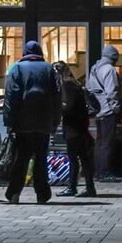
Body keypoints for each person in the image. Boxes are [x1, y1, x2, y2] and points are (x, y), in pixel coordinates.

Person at [3, 40, 61, 204]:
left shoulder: (18, 68)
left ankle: (14, 193)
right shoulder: (49, 69)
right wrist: (55, 121)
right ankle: (42, 194)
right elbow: (57, 98)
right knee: (41, 159)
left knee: (20, 159)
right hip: (44, 124)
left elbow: (11, 96)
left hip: (22, 123)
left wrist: (9, 121)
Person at [52, 61, 96, 197]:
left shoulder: (66, 85)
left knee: (74, 158)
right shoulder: (76, 84)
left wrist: (57, 112)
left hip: (73, 127)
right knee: (83, 158)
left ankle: (72, 187)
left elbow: (68, 106)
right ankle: (89, 187)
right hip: (81, 126)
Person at [86, 45, 122, 181]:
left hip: (98, 110)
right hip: (108, 111)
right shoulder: (109, 70)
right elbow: (112, 92)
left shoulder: (94, 69)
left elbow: (90, 88)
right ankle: (105, 172)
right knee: (108, 143)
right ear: (114, 57)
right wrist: (116, 109)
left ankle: (97, 171)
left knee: (99, 142)